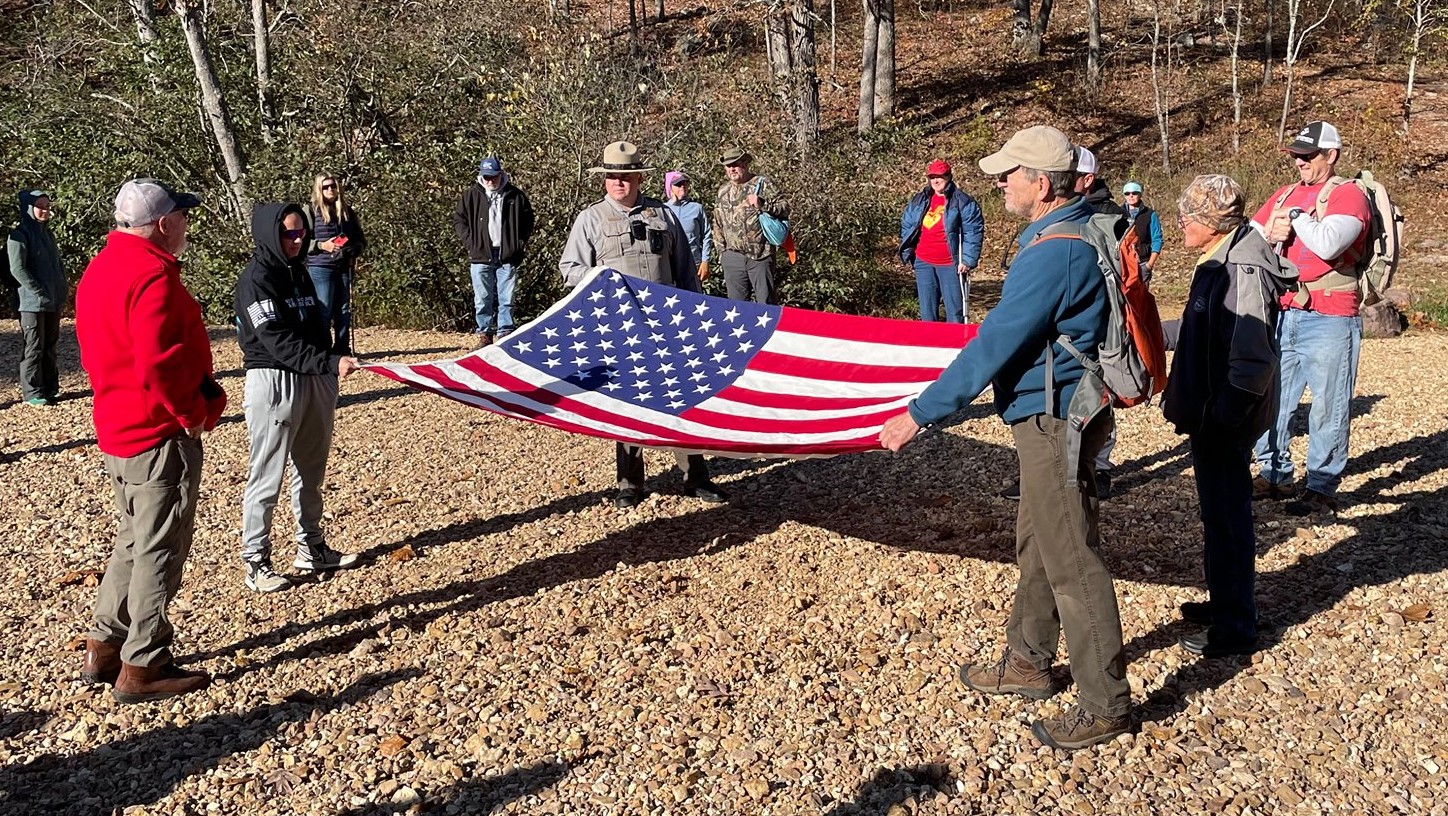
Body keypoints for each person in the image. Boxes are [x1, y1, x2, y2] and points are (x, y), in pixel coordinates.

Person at [880, 125, 1132, 751]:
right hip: (1057, 408)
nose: (999, 182)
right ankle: (1027, 660)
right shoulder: (1067, 230)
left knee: (1071, 555)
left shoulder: (1054, 250)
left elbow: (997, 341)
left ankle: (1104, 702)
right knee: (1040, 541)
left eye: (1009, 173)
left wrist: (921, 412)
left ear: (1041, 184)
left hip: (1054, 415)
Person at [75, 178, 224, 703]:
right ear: (164, 224)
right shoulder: (152, 276)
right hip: (156, 430)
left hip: (117, 424)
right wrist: (193, 414)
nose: (185, 225)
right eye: (181, 216)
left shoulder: (100, 268)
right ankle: (145, 662)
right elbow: (162, 364)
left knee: (134, 538)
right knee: (161, 544)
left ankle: (105, 641)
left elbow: (96, 350)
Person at [1162, 174, 1298, 658]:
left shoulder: (1240, 269)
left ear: (1212, 224)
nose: (1180, 224)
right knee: (1217, 513)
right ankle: (1224, 600)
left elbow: (1252, 357)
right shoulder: (1217, 258)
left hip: (1222, 418)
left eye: (1188, 217)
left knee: (1228, 517)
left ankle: (1235, 624)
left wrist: (1224, 416)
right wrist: (1155, 333)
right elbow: (1202, 327)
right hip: (1212, 413)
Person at [560, 141, 730, 509]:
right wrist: (600, 277)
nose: (618, 183)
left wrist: (695, 315)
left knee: (682, 399)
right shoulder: (590, 218)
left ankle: (695, 476)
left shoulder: (663, 216)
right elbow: (570, 270)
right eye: (611, 177)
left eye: (625, 177)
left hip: (668, 325)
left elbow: (685, 269)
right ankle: (629, 482)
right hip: (619, 326)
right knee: (627, 403)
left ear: (639, 177)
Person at [236, 202, 363, 593]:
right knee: (267, 474)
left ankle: (312, 547)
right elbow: (276, 341)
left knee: (311, 470)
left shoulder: (301, 272)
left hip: (314, 378)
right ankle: (255, 560)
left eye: (301, 233)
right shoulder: (255, 279)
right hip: (275, 381)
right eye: (288, 234)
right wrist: (327, 361)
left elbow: (315, 327)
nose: (296, 240)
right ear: (269, 235)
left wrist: (328, 364)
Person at [1251, 121, 1372, 516]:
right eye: (1297, 156)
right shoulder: (1284, 194)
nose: (1300, 162)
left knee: (1329, 405)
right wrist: (1271, 231)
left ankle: (1321, 485)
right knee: (1274, 399)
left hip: (1332, 315)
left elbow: (1328, 243)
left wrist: (1297, 219)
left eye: (1308, 155)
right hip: (1284, 311)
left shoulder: (1349, 195)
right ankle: (1273, 474)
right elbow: (1251, 241)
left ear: (1331, 155)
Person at [455, 156, 536, 349]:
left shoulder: (515, 196)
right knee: (482, 298)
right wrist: (471, 242)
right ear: (481, 176)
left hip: (507, 254)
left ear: (501, 174)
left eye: (494, 177)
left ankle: (505, 334)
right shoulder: (471, 195)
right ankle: (484, 335)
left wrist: (520, 243)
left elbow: (528, 220)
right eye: (487, 177)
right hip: (480, 254)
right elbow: (459, 220)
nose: (491, 181)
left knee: (506, 298)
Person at [898, 159, 984, 323]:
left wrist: (967, 260)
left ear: (949, 177)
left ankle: (955, 345)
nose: (936, 181)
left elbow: (973, 231)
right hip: (923, 262)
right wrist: (909, 249)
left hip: (950, 264)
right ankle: (929, 344)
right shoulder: (920, 199)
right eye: (932, 177)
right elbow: (907, 223)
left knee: (955, 310)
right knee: (927, 310)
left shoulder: (963, 201)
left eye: (940, 177)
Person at [8, 189, 66, 406]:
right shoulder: (19, 235)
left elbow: (56, 265)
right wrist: (37, 290)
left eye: (47, 206)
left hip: (52, 299)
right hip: (31, 302)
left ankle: (51, 388)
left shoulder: (47, 234)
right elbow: (17, 269)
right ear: (29, 209)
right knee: (34, 345)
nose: (45, 211)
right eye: (41, 207)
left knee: (50, 344)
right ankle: (32, 391)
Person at [713, 146, 789, 304]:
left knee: (765, 304)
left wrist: (763, 204)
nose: (732, 168)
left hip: (760, 256)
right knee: (736, 309)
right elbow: (717, 223)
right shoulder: (723, 191)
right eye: (728, 166)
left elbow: (785, 208)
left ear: (745, 164)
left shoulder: (762, 184)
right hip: (732, 257)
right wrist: (723, 254)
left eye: (735, 164)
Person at [305, 173, 367, 355]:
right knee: (323, 310)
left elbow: (360, 240)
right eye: (325, 187)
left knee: (344, 310)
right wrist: (321, 245)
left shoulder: (347, 212)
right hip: (320, 267)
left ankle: (341, 349)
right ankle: (322, 349)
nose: (330, 190)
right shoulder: (310, 211)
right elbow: (300, 241)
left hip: (344, 266)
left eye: (333, 186)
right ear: (319, 189)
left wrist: (354, 249)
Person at [664, 169, 712, 284]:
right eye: (678, 184)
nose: (682, 187)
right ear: (669, 187)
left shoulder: (697, 208)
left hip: (694, 263)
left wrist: (705, 261)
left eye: (684, 183)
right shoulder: (663, 209)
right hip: (670, 265)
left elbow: (707, 235)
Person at [1121, 181, 1163, 284]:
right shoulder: (1117, 213)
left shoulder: (1150, 214)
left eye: (1134, 193)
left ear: (1140, 194)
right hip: (1123, 263)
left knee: (1143, 298)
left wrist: (1149, 265)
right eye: (1127, 193)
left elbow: (1157, 239)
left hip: (1142, 262)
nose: (1131, 196)